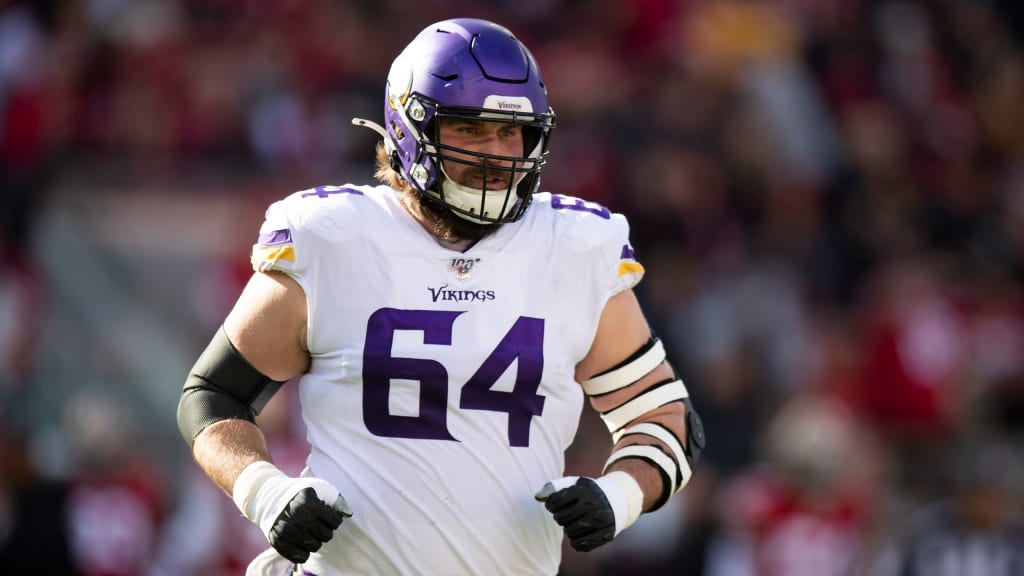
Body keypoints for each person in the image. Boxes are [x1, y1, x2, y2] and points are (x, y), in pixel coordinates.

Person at [177, 17, 704, 576]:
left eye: (511, 132)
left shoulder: (574, 249)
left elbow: (664, 414)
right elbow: (212, 395)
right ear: (410, 128)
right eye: (471, 130)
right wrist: (265, 493)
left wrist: (619, 496)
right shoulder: (333, 238)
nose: (498, 154)